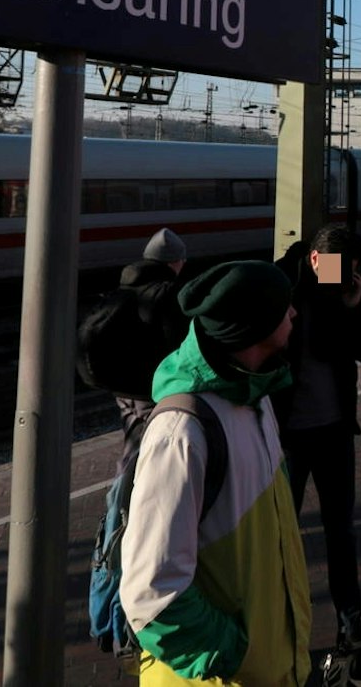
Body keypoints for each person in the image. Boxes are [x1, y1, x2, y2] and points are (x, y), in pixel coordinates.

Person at [120, 259, 311, 687]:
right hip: (220, 678)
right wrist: (234, 654)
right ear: (254, 325)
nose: (294, 313)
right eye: (284, 307)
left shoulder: (255, 399)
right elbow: (151, 594)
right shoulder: (182, 433)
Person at [271, 224, 361, 647]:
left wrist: (354, 306)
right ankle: (282, 626)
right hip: (289, 439)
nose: (343, 278)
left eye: (350, 271)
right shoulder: (282, 284)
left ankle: (350, 625)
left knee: (342, 531)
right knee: (282, 533)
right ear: (316, 259)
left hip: (336, 432)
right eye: (339, 269)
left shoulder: (339, 289)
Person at [109, 228, 192, 456]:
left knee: (133, 444)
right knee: (143, 453)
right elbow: (175, 342)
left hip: (123, 386)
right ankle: (125, 492)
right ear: (174, 262)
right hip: (149, 387)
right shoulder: (168, 294)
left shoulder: (126, 286)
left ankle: (126, 489)